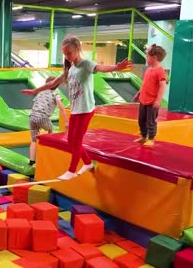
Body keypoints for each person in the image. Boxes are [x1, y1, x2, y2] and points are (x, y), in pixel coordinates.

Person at [22, 35, 132, 180]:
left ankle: (72, 170)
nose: (67, 57)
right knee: (70, 141)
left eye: (69, 53)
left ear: (77, 49)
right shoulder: (71, 69)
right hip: (75, 110)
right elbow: (52, 83)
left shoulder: (86, 64)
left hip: (86, 110)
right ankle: (87, 163)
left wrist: (116, 67)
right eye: (65, 54)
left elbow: (100, 67)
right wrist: (35, 91)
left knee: (77, 141)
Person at [28, 76, 68, 166]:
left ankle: (31, 161)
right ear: (56, 86)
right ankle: (48, 152)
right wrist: (66, 120)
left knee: (34, 140)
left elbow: (35, 103)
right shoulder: (55, 94)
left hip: (32, 117)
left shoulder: (41, 92)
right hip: (42, 118)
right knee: (50, 130)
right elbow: (61, 108)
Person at [133, 44, 167, 146]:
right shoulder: (148, 69)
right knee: (141, 120)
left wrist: (158, 100)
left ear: (154, 58)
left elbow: (162, 86)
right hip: (143, 100)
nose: (146, 58)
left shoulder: (160, 71)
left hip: (152, 102)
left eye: (147, 56)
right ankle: (143, 136)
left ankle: (151, 138)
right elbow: (144, 84)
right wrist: (138, 93)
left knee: (150, 121)